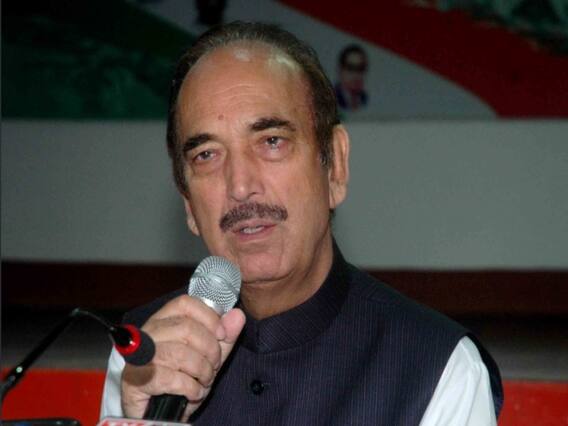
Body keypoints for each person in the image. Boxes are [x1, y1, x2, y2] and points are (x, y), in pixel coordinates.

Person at [100, 21, 503, 425]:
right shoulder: (145, 353)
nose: (240, 186)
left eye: (272, 141)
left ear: (335, 166)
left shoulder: (439, 371)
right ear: (188, 201)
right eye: (206, 155)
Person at [334, 44, 369, 111]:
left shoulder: (365, 99)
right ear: (340, 70)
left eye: (361, 68)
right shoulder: (332, 98)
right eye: (350, 68)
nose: (356, 75)